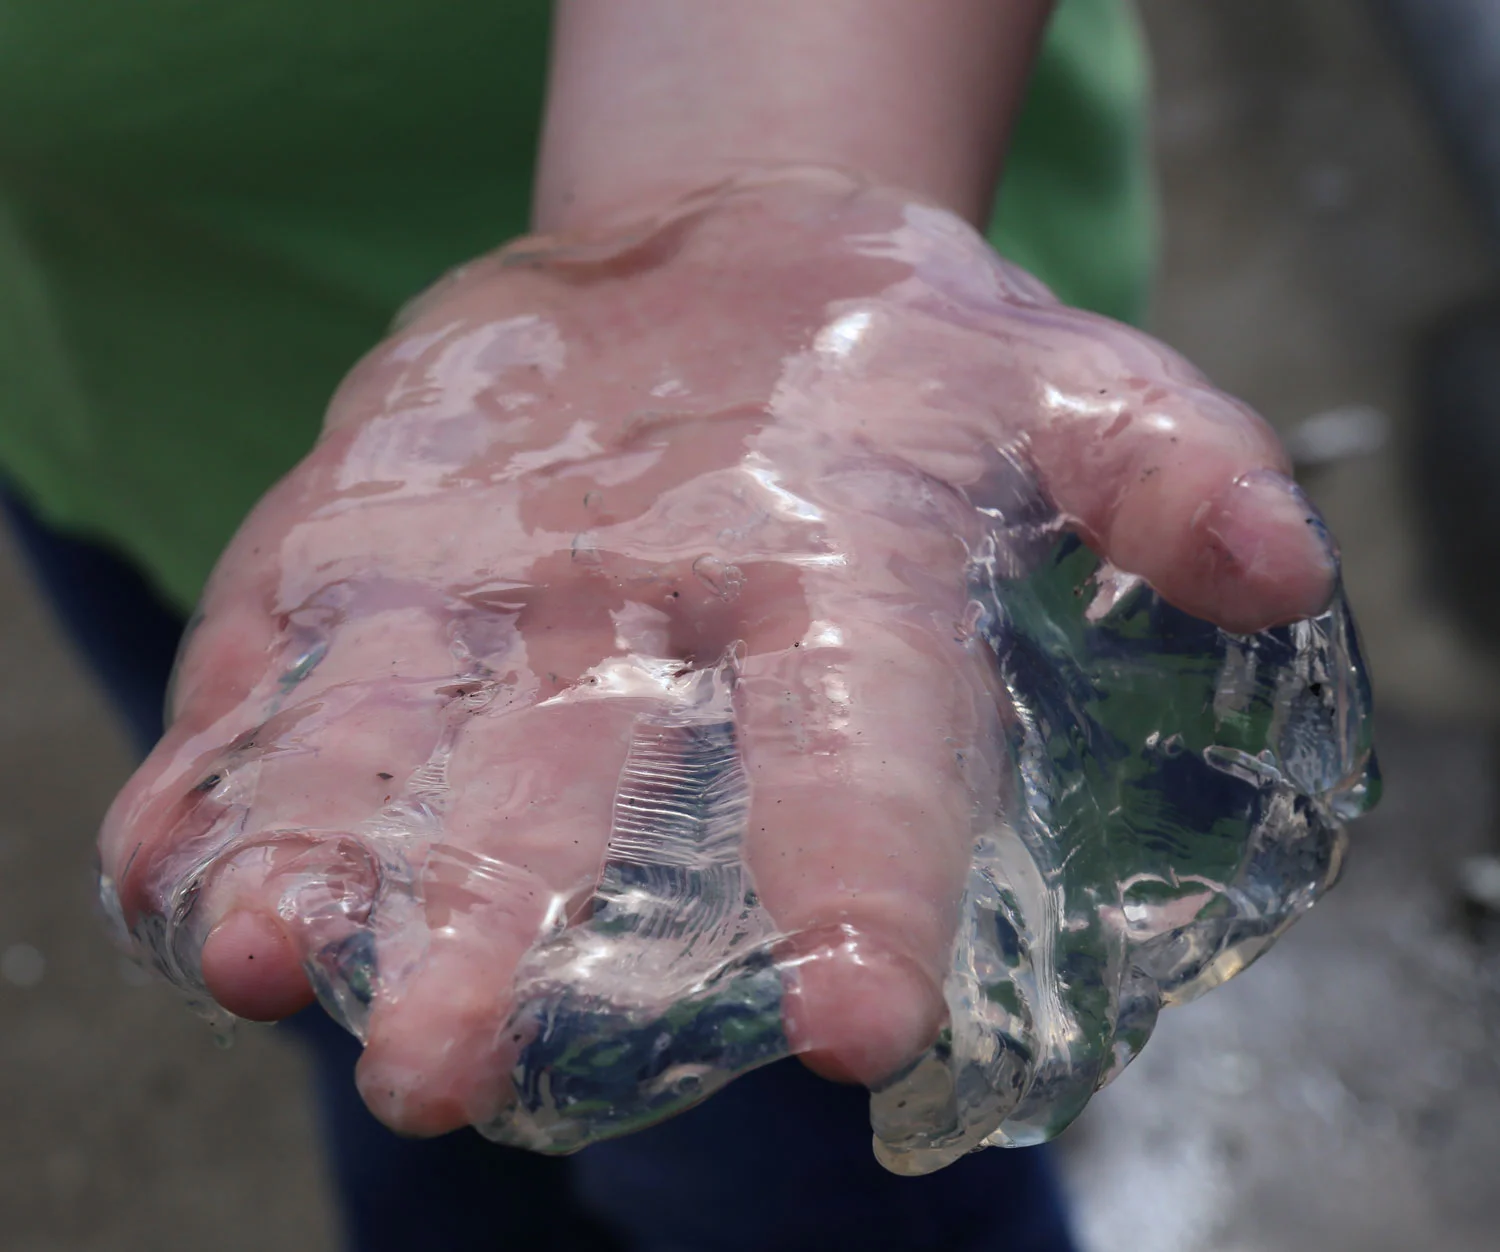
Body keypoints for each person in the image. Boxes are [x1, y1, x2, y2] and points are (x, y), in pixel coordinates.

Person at [0, 3, 1338, 1249]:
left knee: (800, 1144)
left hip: (829, 364)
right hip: (137, 394)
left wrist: (742, 180)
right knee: (352, 992)